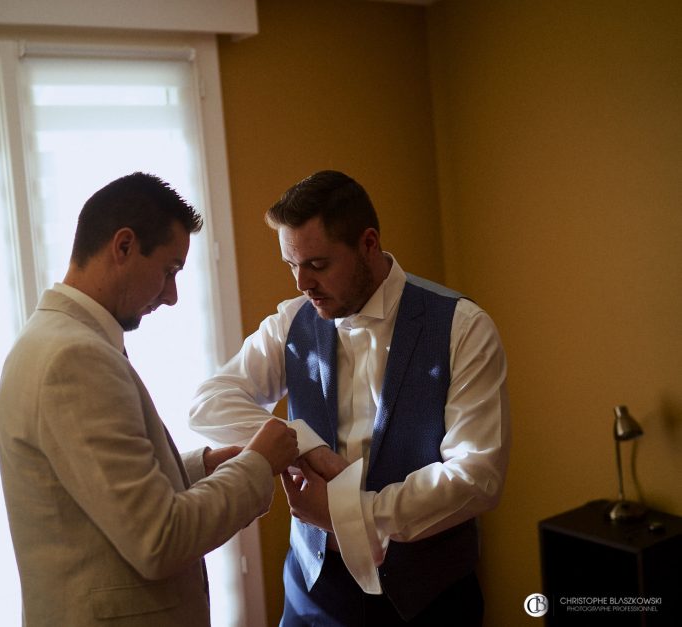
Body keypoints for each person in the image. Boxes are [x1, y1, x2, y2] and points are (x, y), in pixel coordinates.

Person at [189, 170, 510, 626]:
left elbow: (477, 475)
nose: (301, 283)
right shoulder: (291, 323)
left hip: (430, 599)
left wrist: (352, 513)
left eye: (317, 265)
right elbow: (209, 402)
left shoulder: (463, 327)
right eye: (291, 265)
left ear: (368, 244)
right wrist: (303, 444)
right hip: (314, 596)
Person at [0, 172, 299, 627]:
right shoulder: (74, 359)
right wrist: (257, 464)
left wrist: (203, 466)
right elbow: (160, 540)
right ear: (123, 247)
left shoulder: (51, 339)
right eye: (169, 270)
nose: (172, 296)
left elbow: (94, 485)